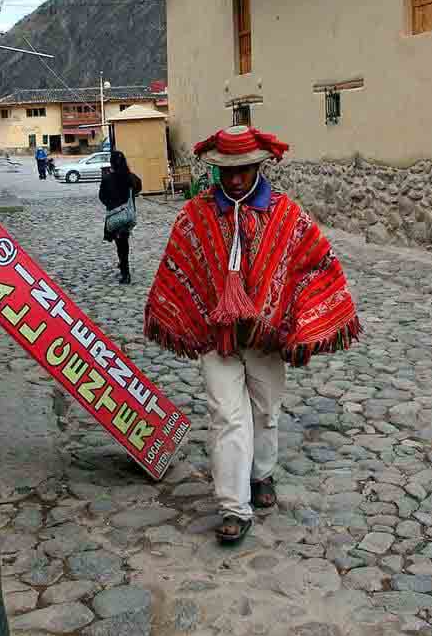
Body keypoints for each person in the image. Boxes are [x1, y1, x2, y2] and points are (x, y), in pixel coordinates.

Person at [144, 126, 360, 545]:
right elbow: (179, 267)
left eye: (244, 169)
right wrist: (186, 314)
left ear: (259, 165)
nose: (236, 178)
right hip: (216, 337)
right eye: (228, 171)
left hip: (266, 339)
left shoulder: (286, 215)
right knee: (227, 416)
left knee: (266, 412)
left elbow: (317, 264)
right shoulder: (196, 216)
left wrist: (297, 318)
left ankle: (262, 475)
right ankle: (233, 506)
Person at [99, 151, 141, 284]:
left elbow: (102, 196)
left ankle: (125, 272)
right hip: (127, 215)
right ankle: (123, 266)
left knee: (120, 244)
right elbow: (138, 187)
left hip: (115, 215)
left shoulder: (107, 178)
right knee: (124, 242)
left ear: (111, 163)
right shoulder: (130, 177)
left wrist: (111, 205)